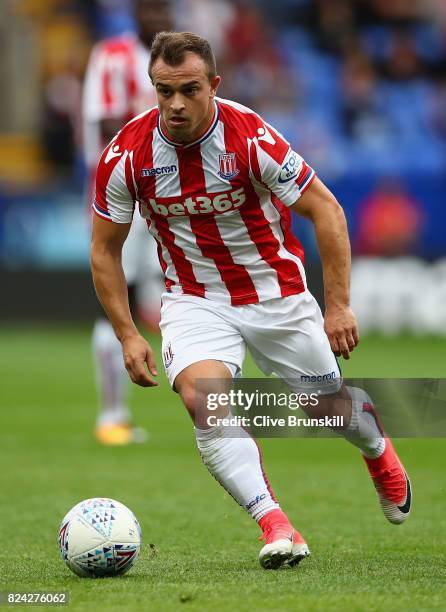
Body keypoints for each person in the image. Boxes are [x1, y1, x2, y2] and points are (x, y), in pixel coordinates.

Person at [90, 32, 412, 568]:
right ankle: (276, 524)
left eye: (188, 90)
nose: (174, 104)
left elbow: (326, 210)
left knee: (327, 407)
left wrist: (338, 305)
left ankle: (377, 449)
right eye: (163, 91)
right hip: (194, 299)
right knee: (203, 401)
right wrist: (128, 332)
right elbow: (104, 249)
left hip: (276, 294)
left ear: (213, 85)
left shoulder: (251, 138)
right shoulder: (126, 155)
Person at [83, 0, 172, 445]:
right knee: (119, 298)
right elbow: (103, 126)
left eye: (163, 7)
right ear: (134, 11)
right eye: (149, 7)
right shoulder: (112, 56)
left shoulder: (175, 58)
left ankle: (212, 404)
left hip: (168, 196)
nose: (157, 15)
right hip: (125, 195)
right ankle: (112, 415)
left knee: (178, 293)